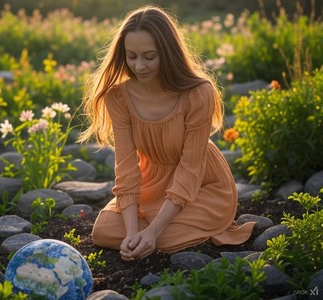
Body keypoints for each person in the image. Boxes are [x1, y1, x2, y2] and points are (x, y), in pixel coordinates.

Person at [78, 5, 255, 261]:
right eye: (132, 56)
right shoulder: (118, 96)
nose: (139, 66)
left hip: (203, 185)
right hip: (153, 183)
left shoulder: (198, 93)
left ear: (168, 53)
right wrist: (130, 234)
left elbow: (191, 168)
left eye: (149, 57)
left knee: (160, 236)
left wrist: (152, 232)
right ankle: (157, 234)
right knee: (104, 231)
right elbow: (126, 169)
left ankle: (169, 230)